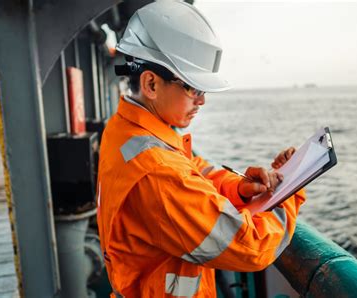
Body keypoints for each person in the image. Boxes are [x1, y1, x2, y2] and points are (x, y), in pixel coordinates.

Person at [96, 1, 306, 297]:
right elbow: (252, 246)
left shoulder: (127, 130)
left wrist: (240, 187)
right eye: (193, 88)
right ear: (151, 84)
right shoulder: (157, 172)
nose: (202, 101)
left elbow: (195, 170)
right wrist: (291, 191)